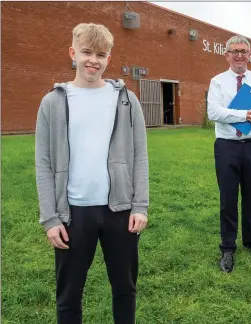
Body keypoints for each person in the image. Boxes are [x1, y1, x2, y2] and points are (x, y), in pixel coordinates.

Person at [35, 23, 149, 324]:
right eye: (86, 52)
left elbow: (140, 156)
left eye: (101, 54)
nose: (93, 60)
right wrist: (50, 218)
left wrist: (140, 206)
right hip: (72, 213)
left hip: (120, 211)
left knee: (125, 289)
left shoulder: (126, 100)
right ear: (73, 53)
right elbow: (43, 164)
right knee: (69, 296)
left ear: (109, 59)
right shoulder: (52, 103)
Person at [207, 35, 251, 273]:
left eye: (243, 51)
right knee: (228, 198)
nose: (239, 55)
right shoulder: (217, 81)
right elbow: (213, 112)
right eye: (234, 51)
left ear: (249, 55)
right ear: (226, 55)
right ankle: (227, 248)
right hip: (227, 146)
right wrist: (245, 115)